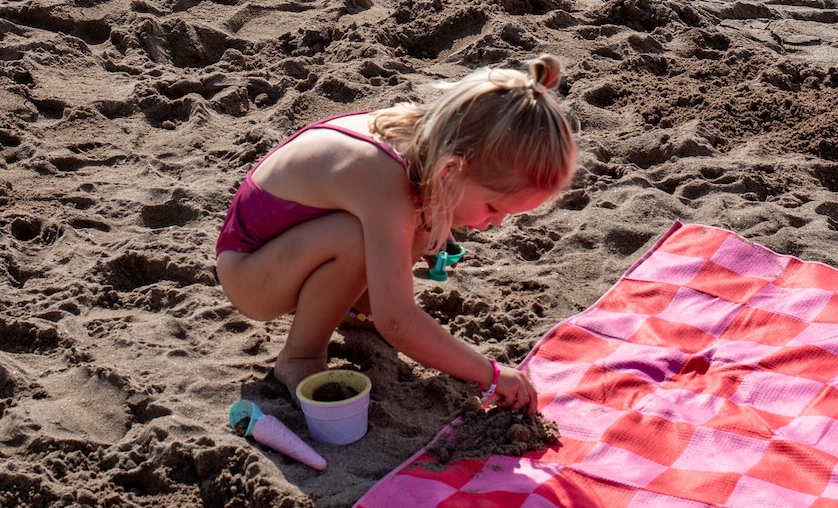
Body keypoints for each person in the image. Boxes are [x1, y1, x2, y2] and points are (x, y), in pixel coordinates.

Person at [215, 56, 578, 412]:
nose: (496, 223)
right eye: (494, 208)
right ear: (452, 169)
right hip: (249, 274)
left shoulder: (428, 148)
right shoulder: (384, 177)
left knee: (422, 221)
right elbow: (398, 322)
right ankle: (301, 355)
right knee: (362, 236)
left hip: (289, 251)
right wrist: (492, 374)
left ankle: (353, 310)